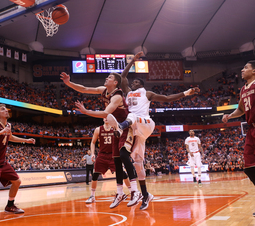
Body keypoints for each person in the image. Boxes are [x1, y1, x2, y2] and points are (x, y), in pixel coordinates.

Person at [107, 51, 200, 210]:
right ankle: (145, 195)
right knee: (137, 164)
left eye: (136, 82)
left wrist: (186, 93)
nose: (133, 83)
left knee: (132, 116)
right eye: (133, 82)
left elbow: (168, 98)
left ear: (141, 85)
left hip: (146, 123)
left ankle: (120, 126)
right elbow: (122, 77)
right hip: (136, 130)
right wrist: (132, 61)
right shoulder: (128, 92)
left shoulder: (147, 93)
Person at [60, 71, 140, 209]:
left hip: (126, 127)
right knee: (117, 160)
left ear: (115, 82)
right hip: (116, 129)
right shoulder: (104, 90)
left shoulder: (117, 96)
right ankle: (120, 193)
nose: (106, 78)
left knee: (122, 155)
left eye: (109, 77)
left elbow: (105, 113)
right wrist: (69, 83)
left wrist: (86, 112)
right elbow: (84, 89)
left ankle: (135, 191)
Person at [222, 60, 255, 216]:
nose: (242, 70)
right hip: (252, 130)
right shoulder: (243, 89)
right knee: (249, 167)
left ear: (254, 71)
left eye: (245, 68)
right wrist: (230, 115)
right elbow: (241, 109)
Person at [85, 118, 131, 204]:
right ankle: (92, 196)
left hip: (113, 155)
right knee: (95, 174)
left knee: (123, 174)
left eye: (108, 116)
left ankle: (132, 192)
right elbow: (93, 142)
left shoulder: (115, 128)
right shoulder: (98, 129)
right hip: (102, 154)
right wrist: (92, 153)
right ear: (103, 118)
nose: (106, 118)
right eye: (105, 116)